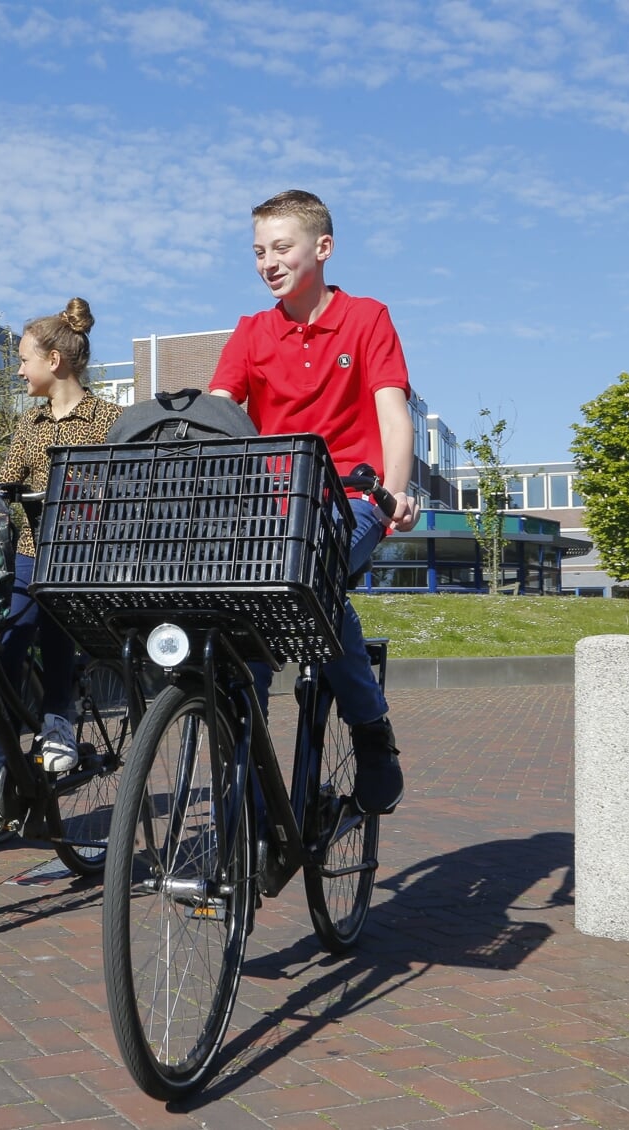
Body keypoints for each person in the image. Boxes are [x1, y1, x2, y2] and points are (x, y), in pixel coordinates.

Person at [208, 189, 420, 816]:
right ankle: (246, 768)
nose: (266, 262)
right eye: (257, 252)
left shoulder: (366, 318)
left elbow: (393, 412)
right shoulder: (251, 332)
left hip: (352, 495)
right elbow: (220, 415)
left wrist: (397, 491)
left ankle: (370, 731)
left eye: (281, 248)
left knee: (313, 574)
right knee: (233, 605)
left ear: (322, 249)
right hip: (274, 500)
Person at [0, 298, 123, 844]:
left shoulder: (107, 419)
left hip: (85, 557)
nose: (17, 370)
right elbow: (5, 483)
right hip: (33, 548)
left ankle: (59, 718)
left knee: (58, 605)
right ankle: (5, 779)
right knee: (1, 646)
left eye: (23, 359)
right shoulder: (29, 422)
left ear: (54, 360)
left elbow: (124, 487)